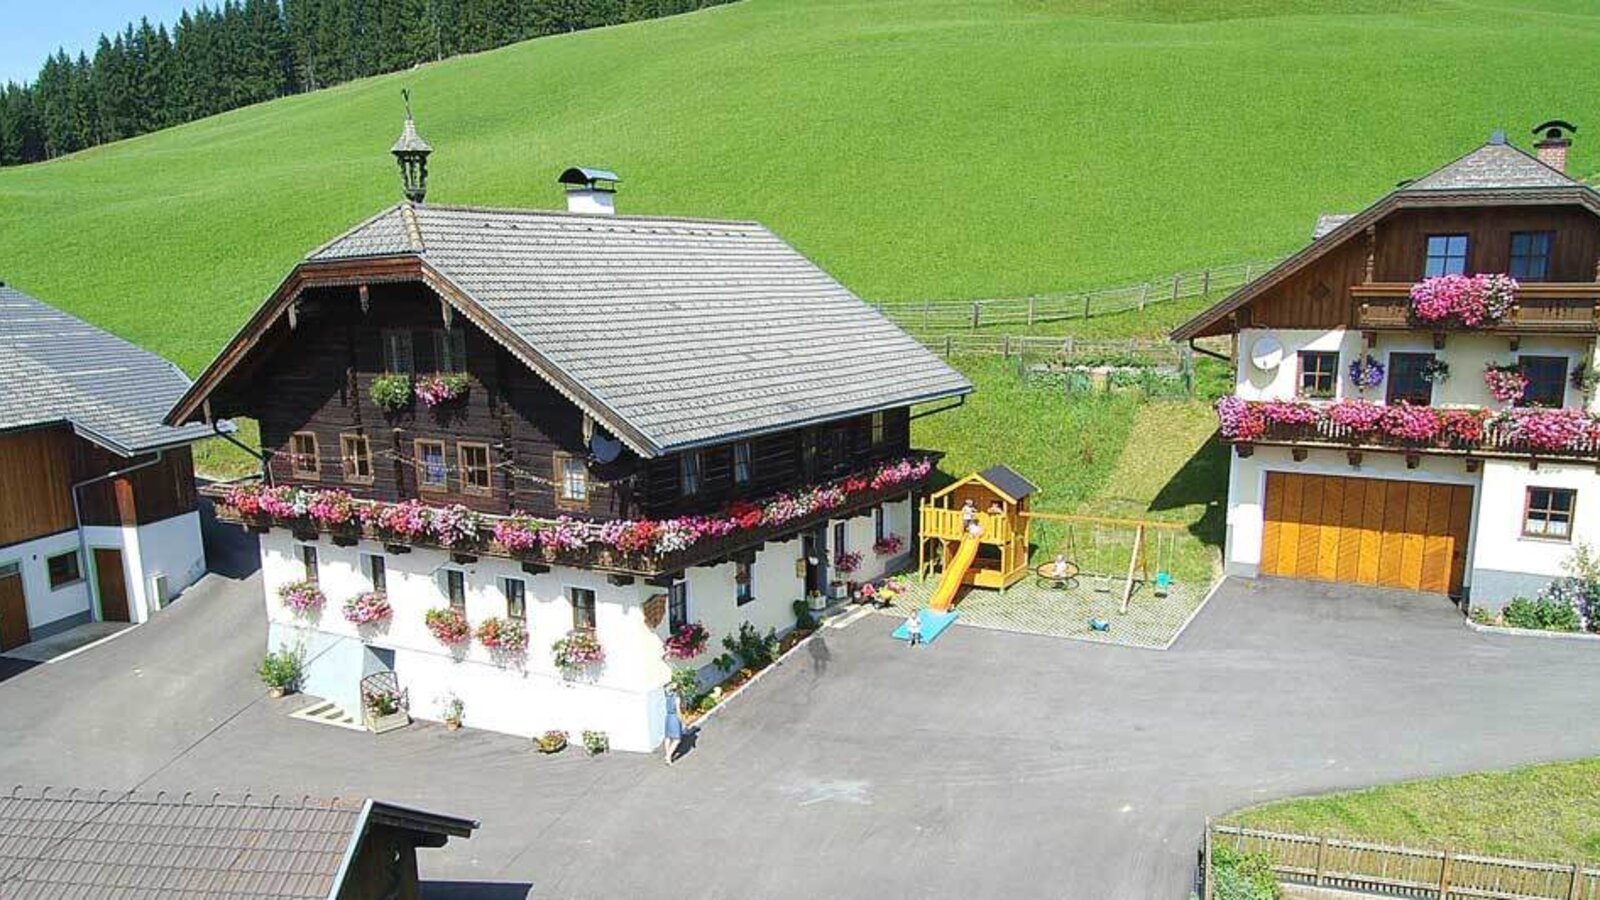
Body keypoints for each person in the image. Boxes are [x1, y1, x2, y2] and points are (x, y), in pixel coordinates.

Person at [662, 684, 685, 765]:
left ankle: (667, 754)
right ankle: (669, 756)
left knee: (668, 737)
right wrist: (682, 720)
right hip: (674, 718)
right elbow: (678, 711)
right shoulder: (677, 698)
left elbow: (665, 688)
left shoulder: (668, 696)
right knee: (677, 739)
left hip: (668, 717)